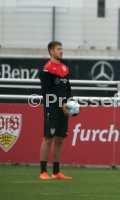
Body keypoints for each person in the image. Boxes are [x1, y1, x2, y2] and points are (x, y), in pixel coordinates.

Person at [39, 41, 73, 180]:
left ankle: (56, 172)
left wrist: (70, 103)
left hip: (64, 108)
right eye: (58, 49)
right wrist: (61, 103)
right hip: (52, 108)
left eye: (62, 49)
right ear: (51, 52)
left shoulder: (65, 69)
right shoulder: (46, 70)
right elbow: (47, 92)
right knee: (48, 138)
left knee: (59, 139)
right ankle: (43, 172)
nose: (61, 51)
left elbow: (68, 89)